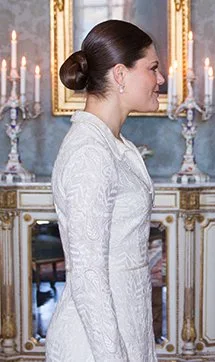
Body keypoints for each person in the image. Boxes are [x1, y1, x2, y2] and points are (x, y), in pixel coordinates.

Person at [45, 19, 165, 361]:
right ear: (121, 74)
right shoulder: (90, 153)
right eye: (152, 68)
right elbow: (87, 273)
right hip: (92, 346)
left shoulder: (114, 144)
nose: (160, 79)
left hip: (128, 324)